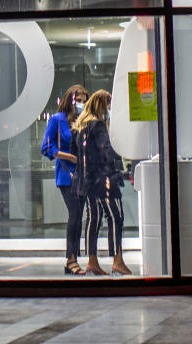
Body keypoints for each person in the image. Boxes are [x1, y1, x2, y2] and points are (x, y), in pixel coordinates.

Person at [70, 89, 133, 276]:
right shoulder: (98, 126)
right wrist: (115, 175)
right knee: (116, 217)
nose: (110, 110)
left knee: (93, 219)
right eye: (109, 106)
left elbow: (76, 154)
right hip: (104, 180)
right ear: (102, 106)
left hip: (87, 183)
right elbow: (106, 153)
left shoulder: (82, 128)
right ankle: (117, 261)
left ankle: (92, 261)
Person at [40, 84, 89, 275]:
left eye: (84, 101)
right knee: (75, 214)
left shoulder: (83, 121)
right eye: (79, 101)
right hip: (66, 174)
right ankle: (71, 258)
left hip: (82, 174)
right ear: (71, 100)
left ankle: (72, 259)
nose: (81, 104)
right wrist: (69, 157)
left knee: (79, 217)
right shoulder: (57, 120)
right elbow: (46, 147)